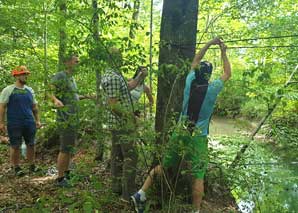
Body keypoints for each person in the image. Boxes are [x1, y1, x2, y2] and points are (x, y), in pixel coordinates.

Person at [130, 38, 231, 213]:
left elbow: (195, 61)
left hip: (180, 132)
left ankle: (140, 193)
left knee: (164, 165)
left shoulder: (190, 81)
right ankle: (196, 210)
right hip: (198, 137)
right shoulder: (213, 88)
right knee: (198, 175)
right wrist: (223, 51)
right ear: (209, 75)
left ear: (198, 72)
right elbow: (228, 73)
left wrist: (209, 43)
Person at [101, 47, 148, 201]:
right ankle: (128, 194)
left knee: (117, 155)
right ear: (114, 58)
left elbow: (127, 88)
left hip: (116, 124)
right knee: (131, 156)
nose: (121, 58)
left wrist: (140, 76)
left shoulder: (113, 74)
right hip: (122, 124)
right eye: (119, 56)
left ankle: (116, 187)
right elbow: (113, 105)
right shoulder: (113, 77)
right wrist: (131, 118)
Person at [50, 54, 87, 187]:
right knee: (65, 148)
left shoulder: (72, 79)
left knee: (70, 147)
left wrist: (87, 96)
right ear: (67, 62)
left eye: (78, 61)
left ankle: (67, 172)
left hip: (73, 119)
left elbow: (74, 97)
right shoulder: (61, 75)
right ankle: (60, 179)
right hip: (65, 119)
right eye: (75, 61)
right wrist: (55, 100)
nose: (78, 64)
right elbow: (49, 90)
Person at [0, 66, 42, 176]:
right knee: (15, 145)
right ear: (16, 76)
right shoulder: (8, 90)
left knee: (31, 144)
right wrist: (1, 123)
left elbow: (34, 107)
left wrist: (37, 120)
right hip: (14, 122)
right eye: (23, 74)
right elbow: (2, 107)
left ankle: (32, 165)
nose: (25, 76)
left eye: (26, 74)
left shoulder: (30, 90)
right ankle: (16, 167)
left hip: (29, 121)